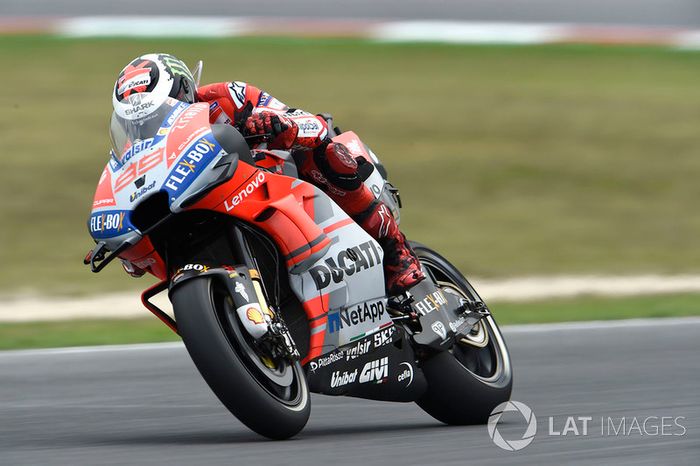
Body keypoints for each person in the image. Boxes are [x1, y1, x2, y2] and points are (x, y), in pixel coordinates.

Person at [113, 53, 424, 295]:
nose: (147, 127)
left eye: (156, 115)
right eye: (137, 123)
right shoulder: (136, 151)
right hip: (209, 203)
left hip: (276, 178)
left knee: (325, 153)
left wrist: (277, 125)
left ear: (183, 92)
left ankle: (395, 249)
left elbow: (310, 123)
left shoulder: (227, 97)